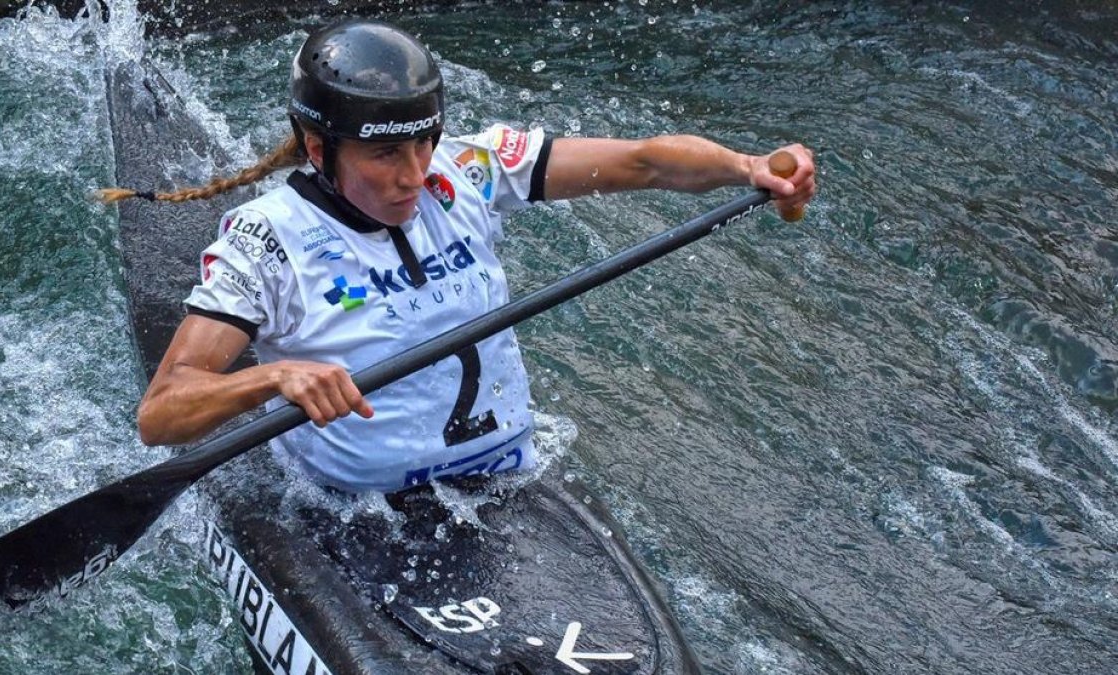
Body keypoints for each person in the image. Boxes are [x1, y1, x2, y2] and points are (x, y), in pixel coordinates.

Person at [104, 19, 815, 494]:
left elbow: (644, 164)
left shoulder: (466, 169)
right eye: (386, 154)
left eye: (425, 142)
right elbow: (163, 411)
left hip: (508, 491)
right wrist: (275, 377)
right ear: (319, 150)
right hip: (352, 513)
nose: (416, 174)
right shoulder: (266, 240)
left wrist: (747, 166)